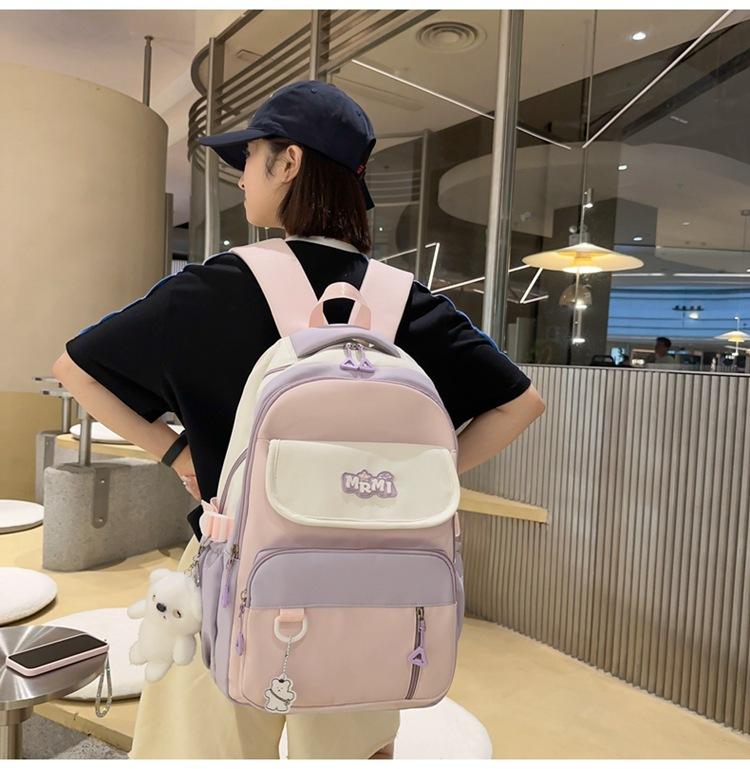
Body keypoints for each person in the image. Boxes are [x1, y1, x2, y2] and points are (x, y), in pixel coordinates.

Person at [52, 80, 546, 759]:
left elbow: (75, 367)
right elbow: (522, 403)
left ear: (288, 163)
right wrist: (409, 479)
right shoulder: (405, 302)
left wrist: (178, 453)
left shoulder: (211, 289)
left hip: (231, 570)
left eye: (250, 159)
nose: (241, 177)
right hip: (372, 588)